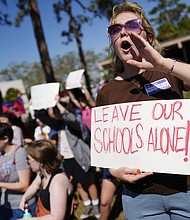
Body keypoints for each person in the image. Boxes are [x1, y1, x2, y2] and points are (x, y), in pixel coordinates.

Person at [96, 1, 190, 220]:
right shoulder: (107, 92)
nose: (123, 33)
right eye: (115, 30)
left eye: (131, 25)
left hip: (185, 189)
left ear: (146, 34)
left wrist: (164, 64)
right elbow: (106, 150)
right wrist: (115, 172)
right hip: (140, 199)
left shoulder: (170, 70)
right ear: (112, 40)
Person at [34, 95, 100, 219]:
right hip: (67, 159)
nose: (53, 113)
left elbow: (70, 118)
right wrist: (39, 106)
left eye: (55, 111)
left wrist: (58, 104)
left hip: (80, 158)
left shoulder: (74, 124)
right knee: (78, 184)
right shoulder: (58, 126)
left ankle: (96, 207)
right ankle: (88, 205)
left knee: (89, 183)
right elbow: (43, 118)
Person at [19, 139, 73, 219]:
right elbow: (34, 186)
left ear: (40, 162)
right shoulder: (43, 174)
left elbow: (57, 217)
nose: (28, 162)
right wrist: (25, 197)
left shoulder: (58, 182)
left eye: (29, 159)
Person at [0, 122, 36, 220]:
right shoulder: (1, 154)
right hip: (5, 205)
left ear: (5, 138)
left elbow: (24, 185)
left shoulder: (19, 153)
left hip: (21, 206)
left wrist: (1, 184)